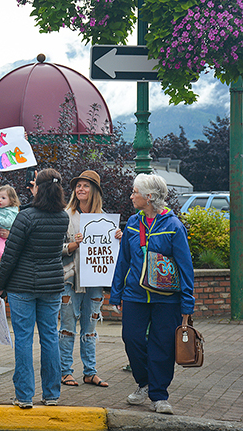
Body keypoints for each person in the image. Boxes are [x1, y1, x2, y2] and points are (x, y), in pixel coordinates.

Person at [109, 173, 195, 415]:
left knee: (163, 346)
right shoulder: (133, 223)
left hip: (167, 299)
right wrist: (116, 294)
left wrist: (188, 303)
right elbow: (122, 261)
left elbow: (185, 267)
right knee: (132, 338)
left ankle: (159, 395)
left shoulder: (173, 226)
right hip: (135, 295)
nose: (131, 195)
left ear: (149, 197)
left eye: (135, 192)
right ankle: (144, 382)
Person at [0, 169, 69, 409]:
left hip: (22, 286)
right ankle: (52, 394)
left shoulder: (25, 217)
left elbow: (11, 256)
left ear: (39, 189)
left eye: (35, 184)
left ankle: (24, 396)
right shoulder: (62, 217)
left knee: (24, 339)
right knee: (49, 338)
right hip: (52, 285)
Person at [59, 170, 122, 388]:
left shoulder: (105, 219)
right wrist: (72, 245)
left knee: (90, 328)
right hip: (70, 279)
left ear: (94, 191)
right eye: (78, 186)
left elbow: (112, 253)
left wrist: (118, 239)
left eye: (86, 186)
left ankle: (90, 372)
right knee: (67, 326)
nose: (81, 189)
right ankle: (65, 371)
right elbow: (55, 248)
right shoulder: (65, 215)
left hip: (95, 281)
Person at [0, 185, 20, 260]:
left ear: (11, 200)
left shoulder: (11, 212)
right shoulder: (0, 209)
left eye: (3, 198)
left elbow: (8, 223)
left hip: (4, 236)